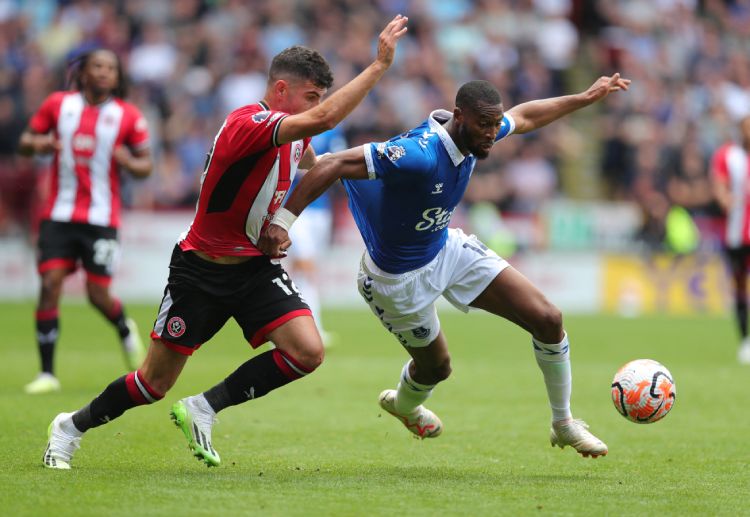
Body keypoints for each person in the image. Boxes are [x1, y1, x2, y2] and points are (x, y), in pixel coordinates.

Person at [41, 14, 408, 470]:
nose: (316, 106)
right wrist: (378, 67)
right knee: (153, 384)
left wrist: (378, 175)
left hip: (253, 267)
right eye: (310, 95)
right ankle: (69, 427)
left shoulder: (295, 134)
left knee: (307, 352)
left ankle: (204, 408)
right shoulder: (249, 122)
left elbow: (315, 164)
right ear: (280, 91)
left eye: (318, 97)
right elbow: (326, 117)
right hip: (201, 269)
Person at [260, 73, 631, 458]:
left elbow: (526, 118)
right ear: (459, 116)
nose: (492, 133)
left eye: (493, 124)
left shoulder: (476, 132)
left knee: (549, 318)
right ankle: (403, 405)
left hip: (446, 248)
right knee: (437, 369)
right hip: (395, 281)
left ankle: (564, 423)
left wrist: (585, 97)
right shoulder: (419, 154)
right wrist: (282, 223)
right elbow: (331, 164)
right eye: (484, 125)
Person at [18, 49, 153, 395]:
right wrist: (42, 143)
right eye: (98, 66)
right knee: (50, 285)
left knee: (97, 295)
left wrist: (127, 160)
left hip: (101, 220)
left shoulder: (127, 115)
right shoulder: (58, 105)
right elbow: (25, 142)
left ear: (117, 75)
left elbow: (146, 165)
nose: (104, 73)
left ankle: (123, 328)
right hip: (58, 215)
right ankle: (47, 373)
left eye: (111, 67)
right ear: (84, 73)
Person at [284, 126, 348, 346]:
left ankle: (284, 330)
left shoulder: (332, 133)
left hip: (321, 210)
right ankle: (314, 329)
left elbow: (340, 166)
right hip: (293, 210)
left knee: (301, 272)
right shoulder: (291, 128)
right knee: (306, 267)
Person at [710, 114, 750, 365]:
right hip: (737, 234)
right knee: (739, 287)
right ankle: (745, 340)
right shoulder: (728, 155)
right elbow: (719, 187)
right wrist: (725, 199)